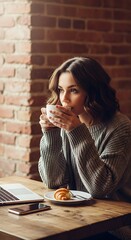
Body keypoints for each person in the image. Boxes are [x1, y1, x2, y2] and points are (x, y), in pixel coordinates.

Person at [38, 57, 131, 240]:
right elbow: (53, 181)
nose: (64, 99)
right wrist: (50, 133)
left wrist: (76, 131)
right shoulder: (70, 123)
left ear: (93, 92)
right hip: (78, 218)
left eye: (73, 90)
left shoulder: (120, 127)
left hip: (114, 227)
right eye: (61, 89)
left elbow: (100, 188)